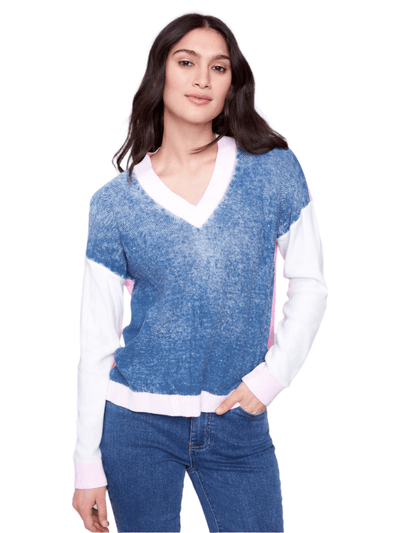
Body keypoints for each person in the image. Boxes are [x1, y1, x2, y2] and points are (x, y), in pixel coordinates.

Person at [72, 12, 328, 533]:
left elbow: (310, 284)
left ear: (232, 82)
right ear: (160, 74)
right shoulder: (114, 204)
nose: (202, 79)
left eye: (219, 67)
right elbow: (96, 340)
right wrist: (86, 465)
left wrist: (271, 378)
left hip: (238, 422)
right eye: (186, 62)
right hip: (135, 428)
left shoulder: (272, 170)